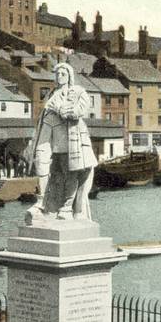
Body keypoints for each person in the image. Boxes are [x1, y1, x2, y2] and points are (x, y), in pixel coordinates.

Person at [24, 62, 96, 222]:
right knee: (41, 160)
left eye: (63, 74)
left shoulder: (78, 92)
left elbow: (79, 111)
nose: (59, 77)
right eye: (57, 74)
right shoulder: (50, 94)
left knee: (70, 170)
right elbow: (43, 115)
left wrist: (61, 109)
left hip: (70, 137)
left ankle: (67, 207)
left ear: (69, 76)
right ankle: (42, 201)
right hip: (49, 132)